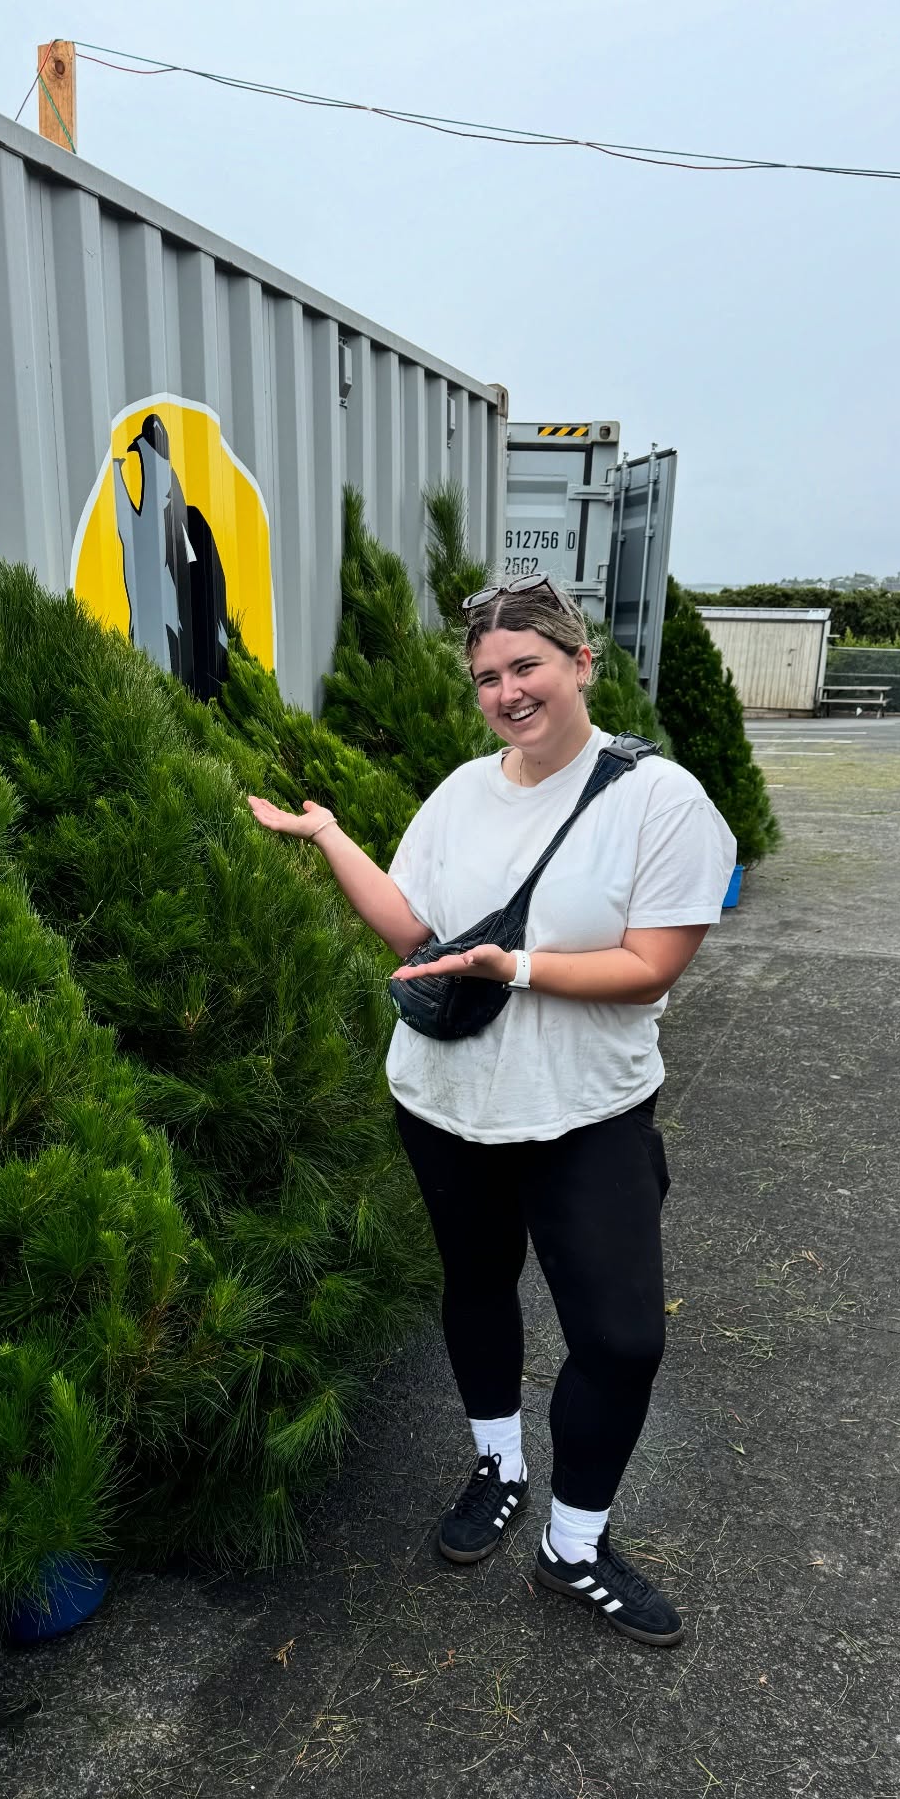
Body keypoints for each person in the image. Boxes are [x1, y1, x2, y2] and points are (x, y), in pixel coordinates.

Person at [248, 575, 736, 1647]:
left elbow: (650, 967)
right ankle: (499, 1464)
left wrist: (514, 966)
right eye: (487, 677)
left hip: (586, 1113)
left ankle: (575, 1545)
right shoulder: (463, 793)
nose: (508, 692)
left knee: (621, 1339)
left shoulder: (661, 802)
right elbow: (413, 929)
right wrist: (328, 835)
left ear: (580, 665)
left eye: (527, 667)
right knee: (475, 1287)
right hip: (446, 1101)